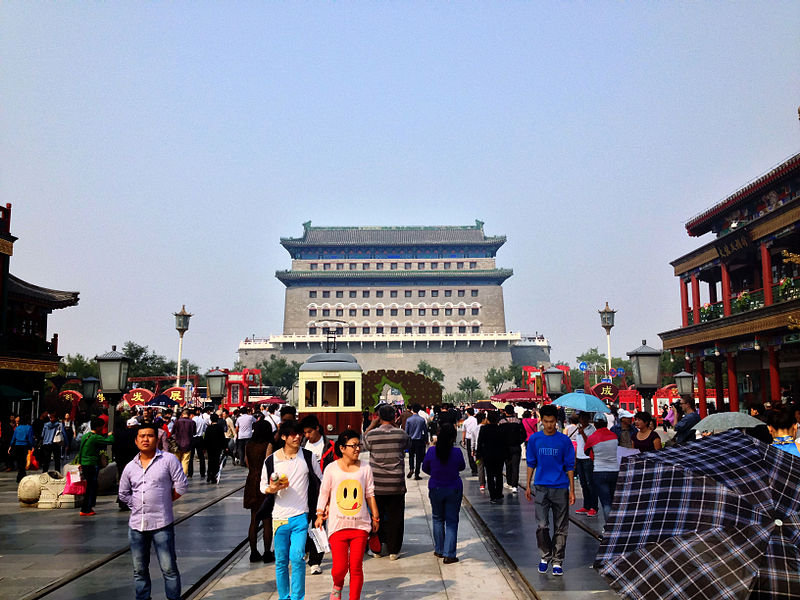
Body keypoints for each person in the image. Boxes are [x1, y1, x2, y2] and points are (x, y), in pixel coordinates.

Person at [118, 423, 188, 600]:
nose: (145, 439)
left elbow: (181, 485)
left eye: (149, 436)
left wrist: (165, 499)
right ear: (136, 441)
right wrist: (136, 505)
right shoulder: (130, 467)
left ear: (157, 440)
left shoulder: (169, 460)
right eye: (142, 436)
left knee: (169, 568)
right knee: (139, 570)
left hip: (161, 524)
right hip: (136, 526)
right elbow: (123, 493)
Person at [260, 420, 323, 600]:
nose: (297, 437)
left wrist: (320, 509)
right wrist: (271, 489)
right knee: (281, 562)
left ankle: (297, 597)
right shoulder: (271, 461)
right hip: (279, 518)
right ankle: (284, 597)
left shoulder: (309, 457)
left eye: (299, 434)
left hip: (301, 516)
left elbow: (321, 481)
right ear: (284, 437)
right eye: (293, 434)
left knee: (297, 558)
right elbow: (262, 486)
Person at [315, 430, 379, 600]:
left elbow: (370, 493)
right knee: (339, 568)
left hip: (360, 525)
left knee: (356, 566)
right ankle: (337, 585)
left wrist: (375, 516)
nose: (357, 449)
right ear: (342, 448)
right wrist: (319, 514)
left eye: (359, 445)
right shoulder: (331, 469)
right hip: (337, 525)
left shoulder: (365, 467)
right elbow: (324, 492)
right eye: (353, 446)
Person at [524, 404, 575, 577]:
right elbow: (531, 463)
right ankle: (545, 556)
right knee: (542, 526)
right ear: (541, 421)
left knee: (561, 527)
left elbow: (570, 466)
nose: (549, 425)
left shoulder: (564, 441)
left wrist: (572, 490)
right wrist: (528, 485)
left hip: (560, 487)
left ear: (557, 422)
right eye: (546, 422)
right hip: (541, 487)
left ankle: (558, 561)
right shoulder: (534, 440)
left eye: (552, 422)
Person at [363, 404, 411, 559]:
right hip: (396, 483)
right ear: (394, 417)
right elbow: (407, 445)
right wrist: (396, 425)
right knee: (395, 516)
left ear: (379, 417)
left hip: (377, 484)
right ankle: (393, 550)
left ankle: (377, 548)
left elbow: (365, 440)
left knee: (377, 516)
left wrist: (372, 424)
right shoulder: (401, 434)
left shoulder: (372, 435)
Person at [421, 423, 465, 564]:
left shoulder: (432, 451)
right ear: (453, 438)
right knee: (451, 521)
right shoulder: (457, 452)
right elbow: (462, 467)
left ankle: (439, 550)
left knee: (437, 518)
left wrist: (435, 474)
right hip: (453, 487)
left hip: (436, 487)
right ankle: (449, 554)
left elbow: (425, 467)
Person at [301, 415, 338, 574]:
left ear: (317, 428)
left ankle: (315, 561)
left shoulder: (330, 446)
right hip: (303, 493)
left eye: (309, 432)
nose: (307, 436)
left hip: (322, 493)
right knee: (302, 525)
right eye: (305, 433)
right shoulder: (301, 446)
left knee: (319, 525)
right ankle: (307, 550)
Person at [244, 419, 274, 562]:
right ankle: (267, 552)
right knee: (267, 519)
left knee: (254, 519)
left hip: (251, 481)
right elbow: (268, 464)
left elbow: (247, 463)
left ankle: (253, 552)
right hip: (263, 481)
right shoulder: (268, 445)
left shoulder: (248, 445)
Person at [584, 415, 619, 524]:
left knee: (606, 502)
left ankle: (609, 527)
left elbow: (587, 451)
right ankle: (616, 524)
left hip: (599, 471)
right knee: (614, 501)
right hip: (615, 471)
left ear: (595, 424)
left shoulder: (593, 437)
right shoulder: (614, 435)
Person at [78, 417, 115, 516]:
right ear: (98, 427)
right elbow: (110, 441)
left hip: (85, 463)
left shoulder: (86, 436)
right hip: (91, 464)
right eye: (102, 427)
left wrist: (80, 462)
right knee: (92, 487)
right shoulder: (95, 437)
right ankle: (87, 508)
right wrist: (111, 435)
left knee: (89, 486)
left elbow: (80, 450)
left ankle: (85, 508)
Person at [476, 411, 505, 503]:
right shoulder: (501, 429)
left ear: (488, 419)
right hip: (499, 455)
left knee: (490, 475)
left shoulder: (484, 429)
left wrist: (478, 454)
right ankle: (499, 493)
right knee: (499, 474)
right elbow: (504, 443)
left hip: (487, 455)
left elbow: (479, 442)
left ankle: (492, 495)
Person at [573, 412, 598, 517]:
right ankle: (586, 505)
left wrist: (583, 433)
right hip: (579, 458)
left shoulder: (591, 430)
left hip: (588, 459)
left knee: (590, 483)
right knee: (583, 483)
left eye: (583, 417)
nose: (581, 419)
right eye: (580, 417)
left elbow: (590, 443)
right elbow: (578, 445)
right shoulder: (578, 429)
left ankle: (594, 506)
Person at [499, 404, 526, 493]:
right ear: (513, 411)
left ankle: (509, 482)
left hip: (505, 447)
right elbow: (524, 435)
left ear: (505, 412)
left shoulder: (501, 422)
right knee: (515, 466)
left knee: (508, 465)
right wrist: (519, 442)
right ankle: (515, 486)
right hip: (516, 447)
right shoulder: (518, 422)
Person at [404, 404, 428, 480]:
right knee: (418, 457)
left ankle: (411, 469)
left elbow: (406, 431)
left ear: (412, 410)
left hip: (411, 440)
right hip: (419, 440)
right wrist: (426, 440)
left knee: (411, 456)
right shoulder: (421, 420)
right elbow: (425, 431)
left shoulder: (409, 420)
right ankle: (417, 473)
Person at [9, 414, 34, 483]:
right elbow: (30, 438)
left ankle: (20, 475)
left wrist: (11, 445)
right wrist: (32, 446)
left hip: (17, 445)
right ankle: (22, 476)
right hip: (24, 445)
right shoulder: (29, 428)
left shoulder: (17, 428)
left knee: (19, 461)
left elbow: (14, 437)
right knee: (23, 461)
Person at [204, 413, 227, 483]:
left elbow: (206, 439)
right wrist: (225, 447)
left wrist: (204, 447)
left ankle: (209, 475)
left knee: (210, 461)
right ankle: (214, 476)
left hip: (210, 448)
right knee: (216, 462)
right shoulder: (220, 428)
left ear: (211, 419)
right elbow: (223, 438)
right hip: (218, 447)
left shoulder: (208, 428)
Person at [171, 410, 195, 474]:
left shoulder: (177, 422)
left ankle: (177, 475)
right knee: (185, 461)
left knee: (177, 461)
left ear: (182, 414)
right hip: (188, 444)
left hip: (177, 443)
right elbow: (194, 433)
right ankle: (184, 476)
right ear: (189, 415)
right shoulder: (192, 422)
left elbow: (172, 432)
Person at [461, 408, 479, 476]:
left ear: (467, 413)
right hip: (476, 438)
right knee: (476, 453)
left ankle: (474, 469)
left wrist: (463, 440)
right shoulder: (476, 420)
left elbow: (464, 432)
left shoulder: (466, 421)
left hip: (469, 438)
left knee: (470, 454)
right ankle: (478, 464)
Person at [189, 408, 207, 480]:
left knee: (191, 457)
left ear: (192, 414)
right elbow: (204, 430)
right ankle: (202, 473)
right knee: (201, 456)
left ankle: (190, 473)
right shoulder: (202, 420)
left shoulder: (192, 421)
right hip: (200, 439)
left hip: (192, 439)